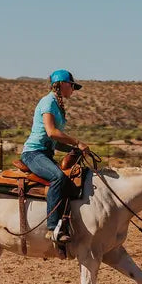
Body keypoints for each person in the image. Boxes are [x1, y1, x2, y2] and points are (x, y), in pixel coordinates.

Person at [20, 69, 91, 244]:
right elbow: (52, 133)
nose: (73, 90)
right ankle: (53, 228)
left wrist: (72, 150)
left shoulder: (57, 104)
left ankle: (67, 221)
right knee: (58, 177)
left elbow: (54, 142)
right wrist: (77, 143)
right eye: (72, 86)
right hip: (33, 153)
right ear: (62, 84)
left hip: (45, 153)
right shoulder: (48, 102)